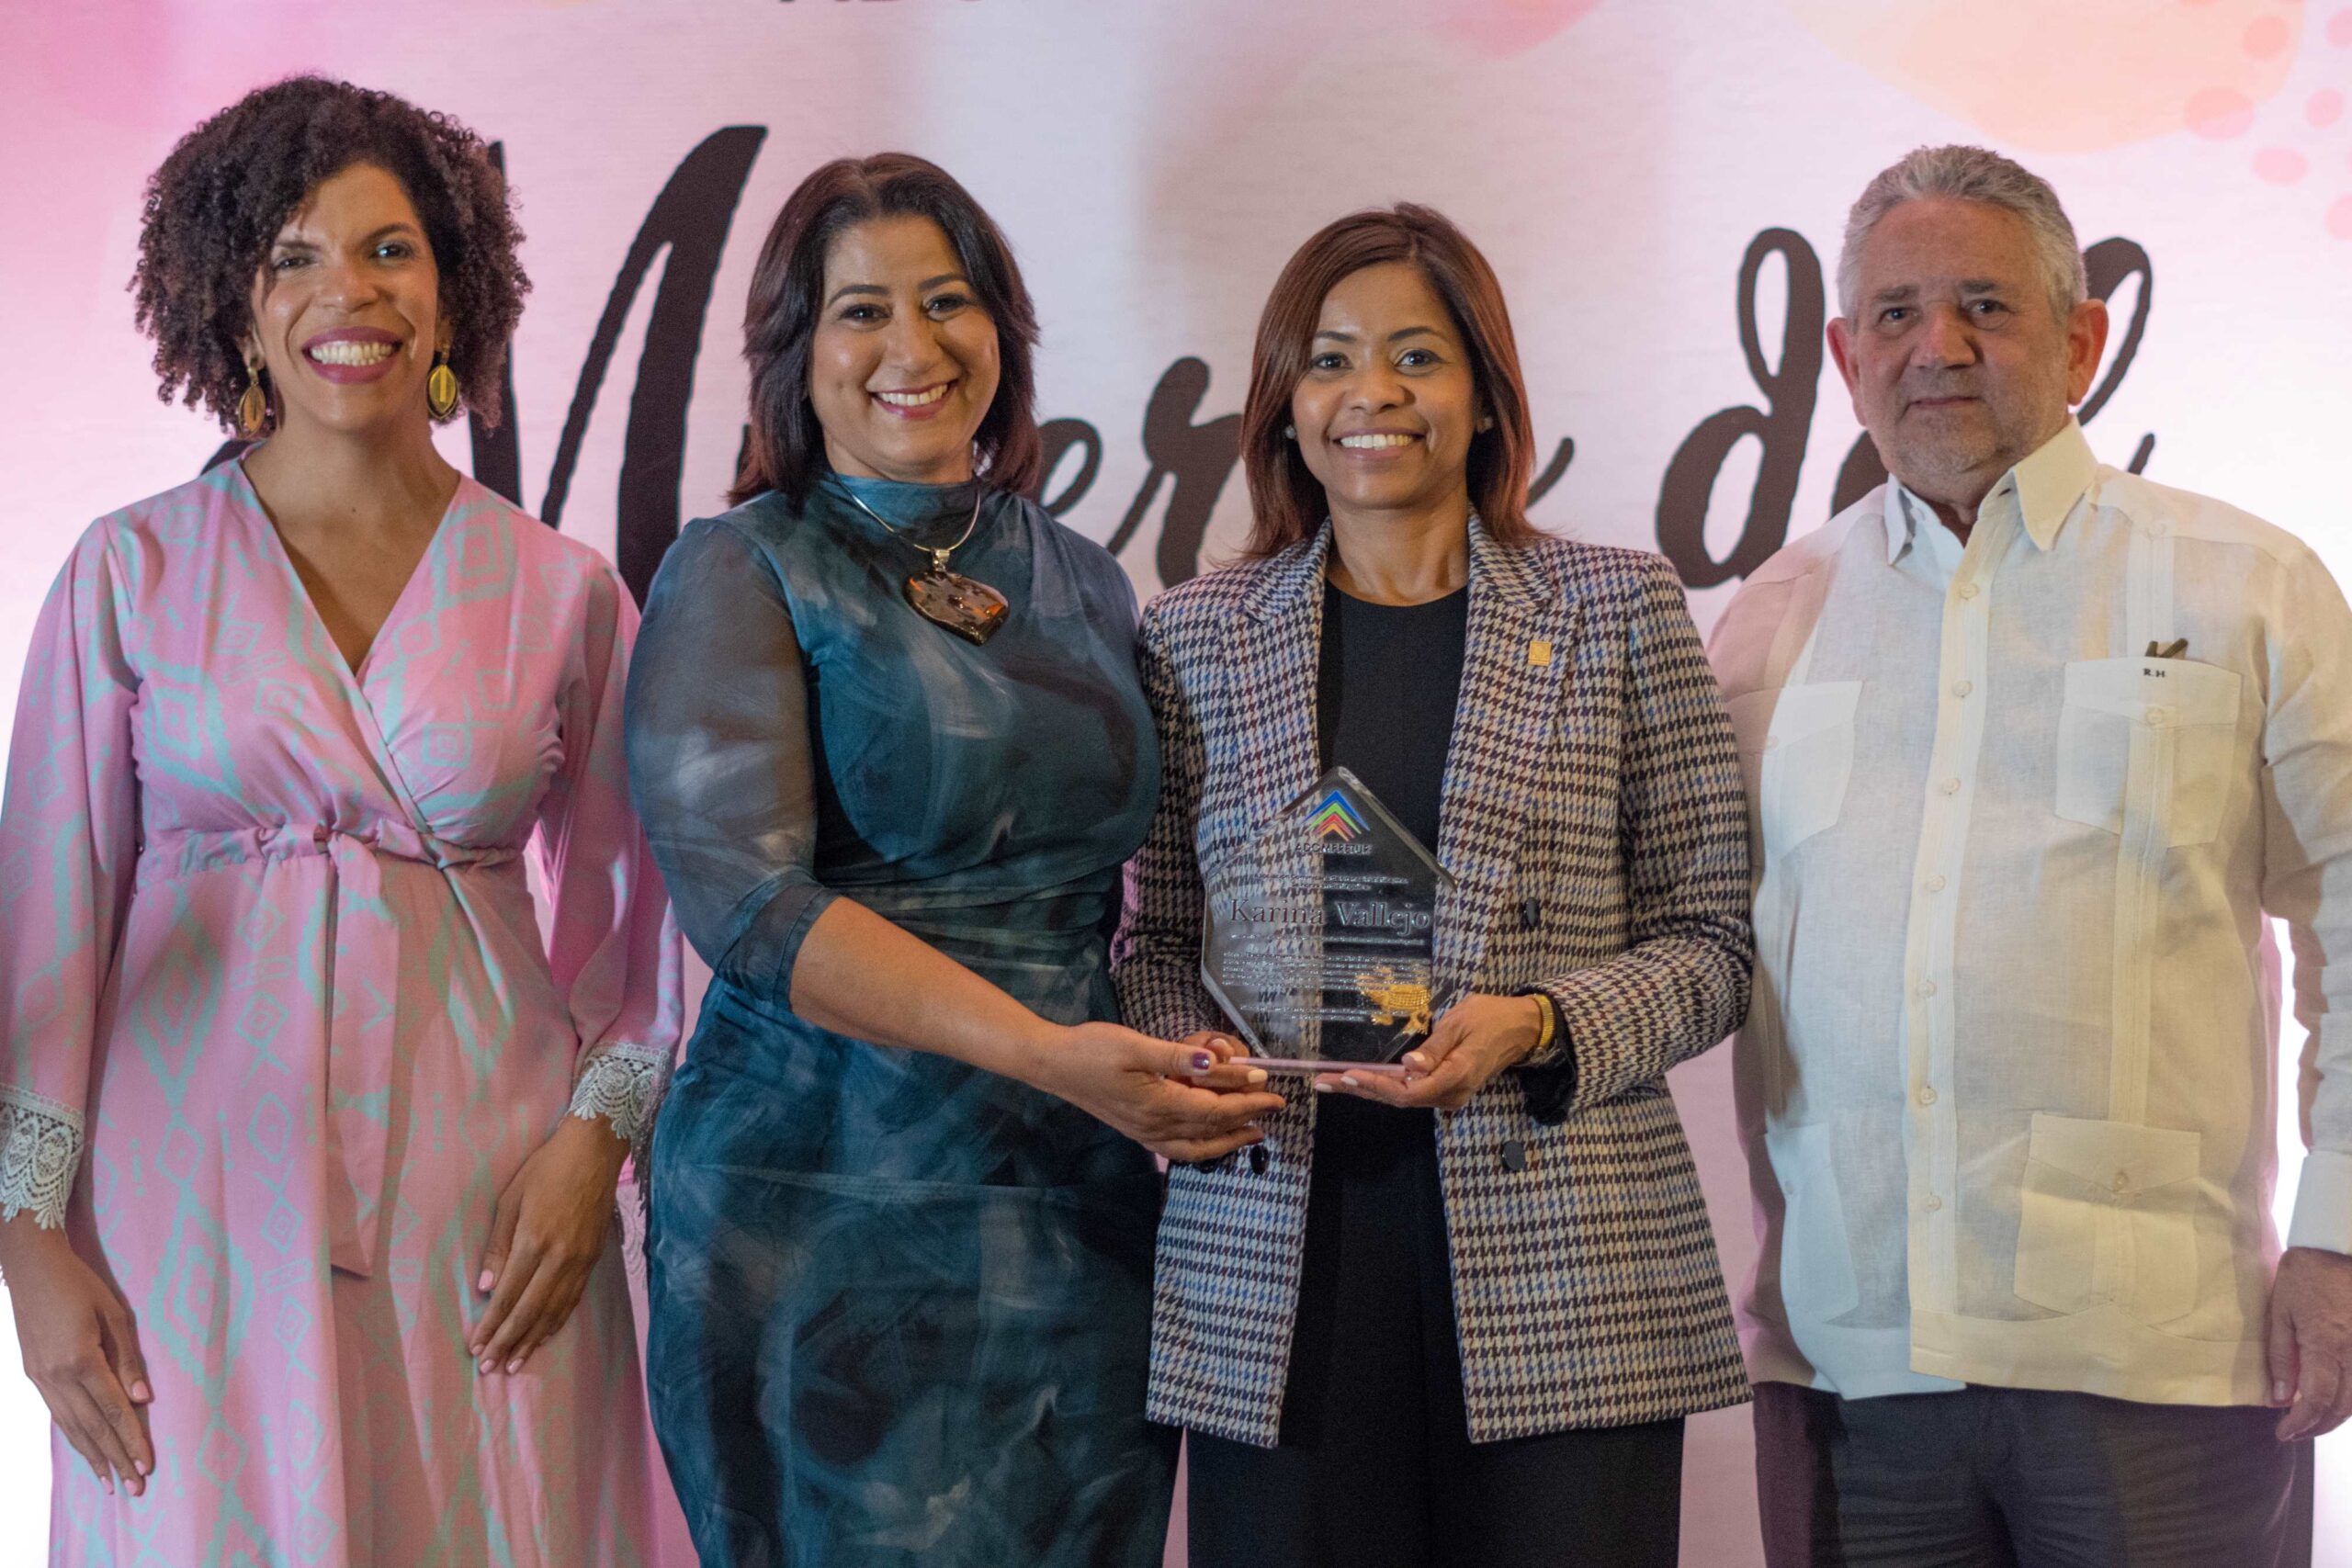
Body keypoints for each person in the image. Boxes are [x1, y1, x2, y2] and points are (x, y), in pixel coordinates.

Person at [0, 77, 682, 1566]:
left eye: (389, 251)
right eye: (292, 256)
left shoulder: (562, 591)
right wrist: (28, 1244)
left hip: (491, 1218)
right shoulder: (128, 572)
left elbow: (648, 935)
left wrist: (589, 1155)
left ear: (453, 295)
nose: (345, 294)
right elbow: (43, 933)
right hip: (193, 1217)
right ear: (231, 309)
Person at [625, 152, 1281, 1568]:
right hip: (825, 1210)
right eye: (863, 312)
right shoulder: (742, 566)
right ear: (797, 355)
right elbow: (747, 904)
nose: (913, 350)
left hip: (1074, 1210)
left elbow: (1129, 896)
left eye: (948, 302)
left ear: (1004, 329)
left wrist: (1177, 1051)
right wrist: (1055, 1055)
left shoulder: (1085, 576)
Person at [1711, 143, 2352, 1567]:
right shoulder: (1771, 618)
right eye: (1893, 314)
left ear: (2080, 338)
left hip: (2157, 1358)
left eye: (1984, 306)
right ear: (1840, 351)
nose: (1936, 348)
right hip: (1851, 1364)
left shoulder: (2247, 586)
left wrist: (2339, 1240)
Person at [1112, 203, 1754, 1568]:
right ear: (1286, 406)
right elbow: (1154, 932)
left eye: (1418, 355)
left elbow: (1715, 941)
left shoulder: (1619, 610)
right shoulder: (1194, 639)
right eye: (1332, 359)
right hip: (1277, 1251)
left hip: (1565, 1257)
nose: (1374, 394)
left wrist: (1541, 1021)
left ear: (1482, 397)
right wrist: (1193, 1051)